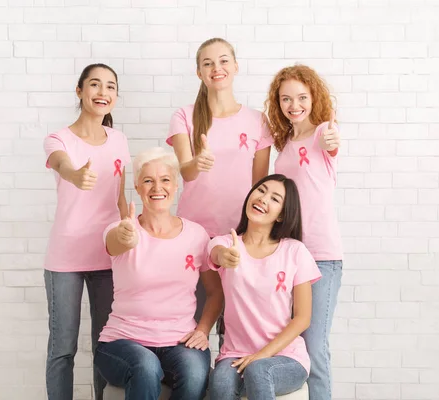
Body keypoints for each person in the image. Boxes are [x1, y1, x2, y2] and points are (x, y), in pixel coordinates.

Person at [93, 147, 223, 400]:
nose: (157, 188)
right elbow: (116, 241)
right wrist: (127, 236)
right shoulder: (120, 229)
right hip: (122, 341)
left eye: (165, 180)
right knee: (146, 365)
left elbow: (216, 291)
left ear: (176, 186)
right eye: (148, 181)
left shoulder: (196, 235)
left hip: (180, 340)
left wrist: (203, 330)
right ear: (138, 187)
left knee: (195, 373)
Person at [167, 37, 272, 325]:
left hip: (239, 235)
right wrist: (196, 164)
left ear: (236, 67)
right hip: (193, 235)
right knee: (193, 322)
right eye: (208, 63)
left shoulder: (258, 121)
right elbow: (185, 172)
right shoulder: (184, 116)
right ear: (199, 72)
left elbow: (259, 186)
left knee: (236, 327)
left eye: (224, 60)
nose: (217, 68)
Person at [43, 63, 130, 400]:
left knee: (104, 347)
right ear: (79, 91)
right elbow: (62, 164)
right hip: (65, 259)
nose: (102, 92)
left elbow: (121, 197)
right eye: (95, 85)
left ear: (116, 97)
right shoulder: (59, 138)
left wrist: (131, 236)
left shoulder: (119, 140)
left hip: (108, 255)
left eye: (110, 87)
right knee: (62, 348)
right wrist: (76, 175)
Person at [265, 64, 343, 400]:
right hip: (288, 257)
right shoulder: (285, 142)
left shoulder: (322, 132)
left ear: (314, 98)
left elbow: (333, 143)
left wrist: (332, 138)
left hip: (322, 257)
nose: (293, 104)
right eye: (286, 99)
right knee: (290, 339)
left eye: (301, 97)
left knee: (315, 346)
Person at [208, 174, 321, 400]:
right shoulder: (226, 244)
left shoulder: (295, 252)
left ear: (281, 215)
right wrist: (226, 257)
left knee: (258, 371)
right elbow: (216, 254)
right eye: (261, 190)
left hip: (286, 357)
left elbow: (303, 318)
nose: (263, 199)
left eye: (275, 198)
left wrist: (261, 355)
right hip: (235, 355)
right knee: (219, 384)